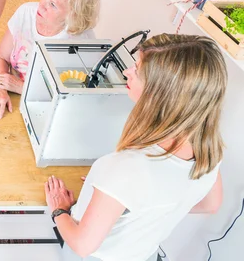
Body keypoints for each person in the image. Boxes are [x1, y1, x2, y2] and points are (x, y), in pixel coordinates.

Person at [45, 34, 225, 261]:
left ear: (159, 96)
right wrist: (114, 200)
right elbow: (211, 204)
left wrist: (59, 210)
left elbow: (83, 245)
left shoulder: (124, 169)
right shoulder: (209, 150)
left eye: (137, 70)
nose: (126, 72)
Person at [0, 0, 100, 119]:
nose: (42, 5)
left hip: (49, 110)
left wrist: (21, 87)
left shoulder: (82, 43)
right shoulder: (25, 13)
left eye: (53, 5)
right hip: (13, 97)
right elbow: (1, 57)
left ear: (73, 15)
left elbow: (74, 98)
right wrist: (0, 89)